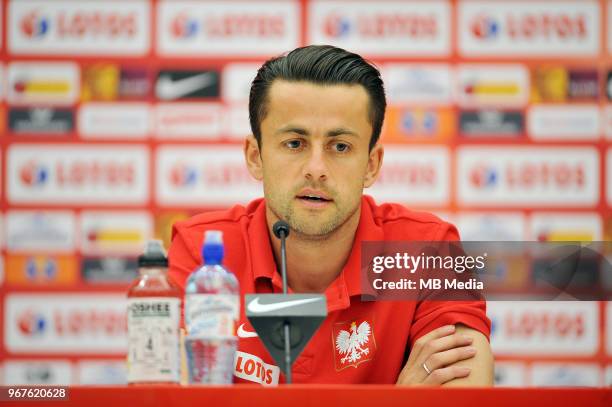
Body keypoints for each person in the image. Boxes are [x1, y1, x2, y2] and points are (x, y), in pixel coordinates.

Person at [168, 45, 493, 386]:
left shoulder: (427, 250)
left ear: (371, 164)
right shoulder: (202, 253)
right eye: (295, 143)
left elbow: (466, 390)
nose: (316, 170)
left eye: (340, 147)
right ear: (255, 156)